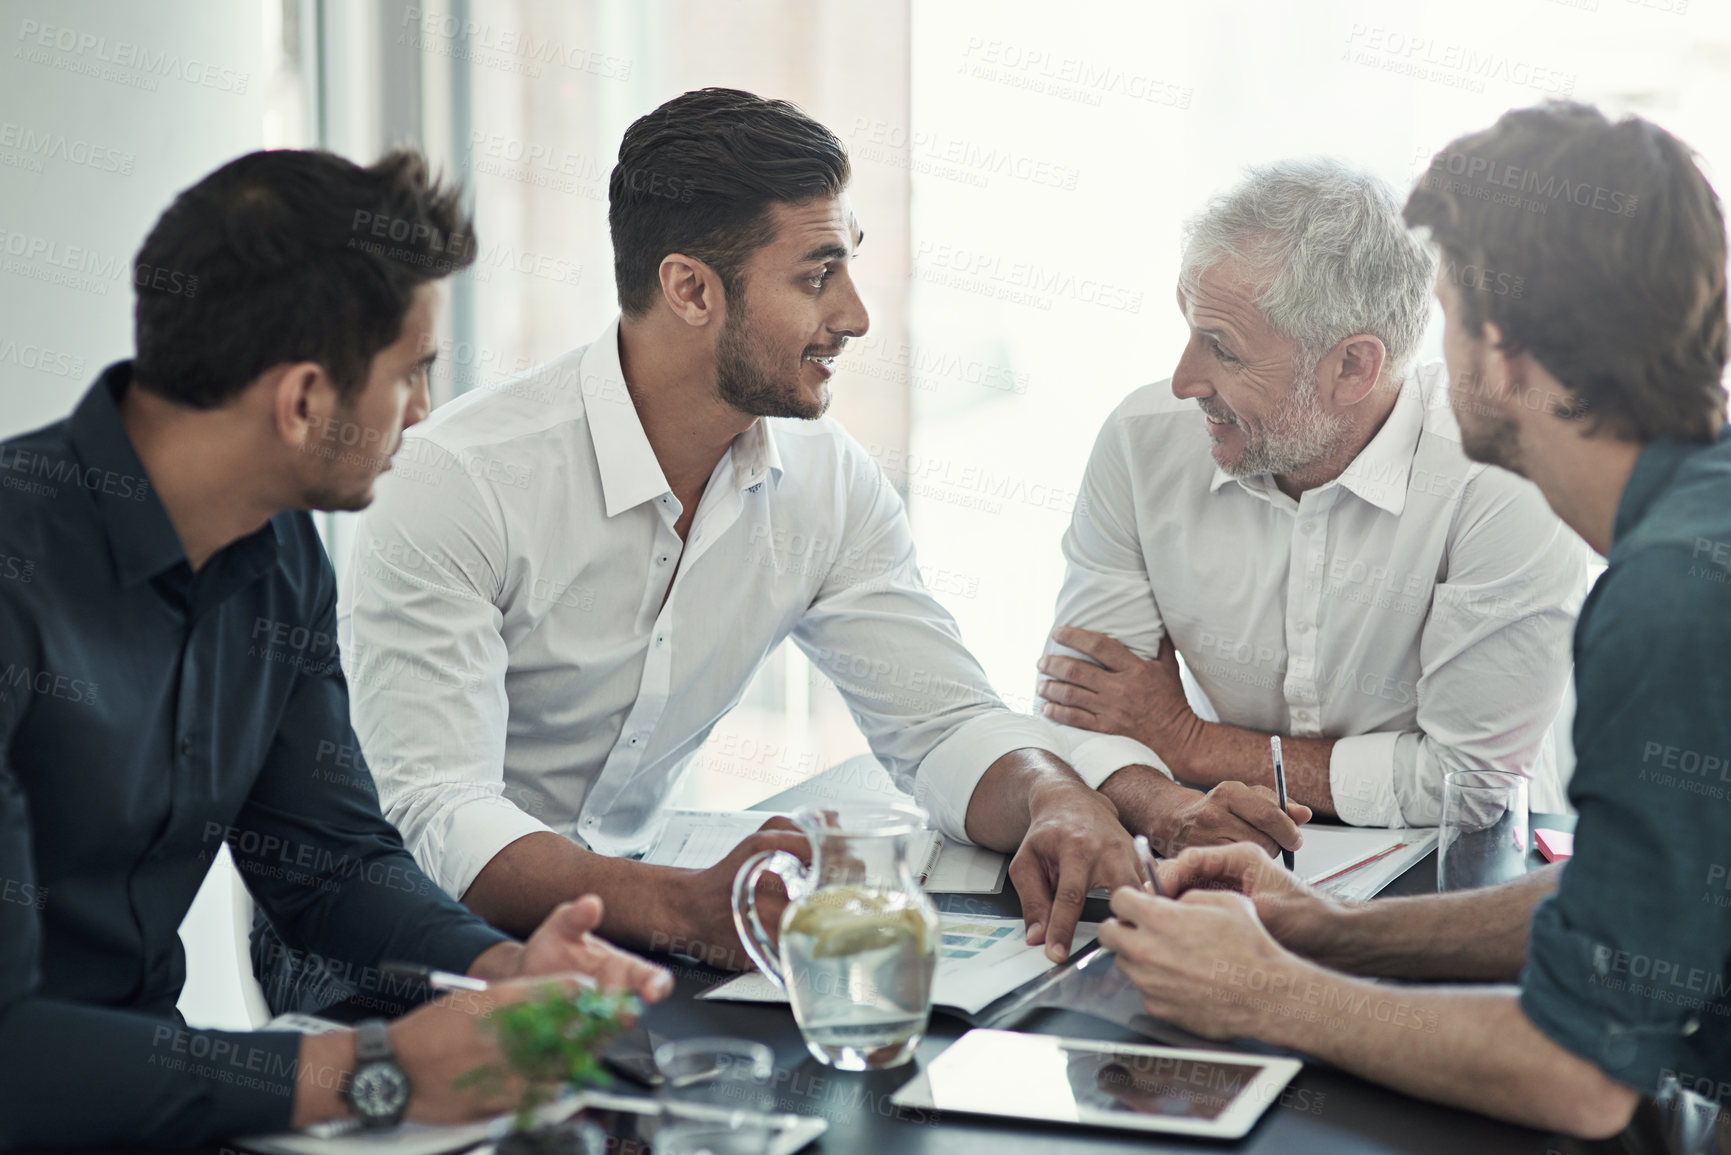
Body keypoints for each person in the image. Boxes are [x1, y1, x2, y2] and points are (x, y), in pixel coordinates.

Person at [281, 88, 1164, 999]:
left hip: (640, 904)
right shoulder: (457, 479)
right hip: (402, 940)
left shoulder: (825, 479)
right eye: (817, 275)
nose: (855, 315)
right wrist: (682, 908)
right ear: (691, 288)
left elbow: (940, 722)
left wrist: (1053, 791)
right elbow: (433, 811)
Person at [0, 149, 671, 1148]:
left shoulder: (275, 548)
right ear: (306, 399)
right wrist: (379, 1071)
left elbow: (330, 863)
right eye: (412, 373)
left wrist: (505, 973)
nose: (424, 411)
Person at [1101, 102, 1730, 1140]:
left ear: (1510, 352)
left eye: (1442, 313)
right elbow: (1629, 909)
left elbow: (1580, 1076)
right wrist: (1332, 931)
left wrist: (1266, 990)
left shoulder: (1670, 604)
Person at [1035, 158, 1586, 854]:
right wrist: (1167, 805)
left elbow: (1464, 783)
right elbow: (1078, 703)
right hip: (1212, 838)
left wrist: (1187, 740)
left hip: (1462, 865)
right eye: (1189, 329)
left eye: (1222, 349)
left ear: (1352, 367)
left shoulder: (1500, 474)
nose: (1181, 380)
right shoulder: (1140, 440)